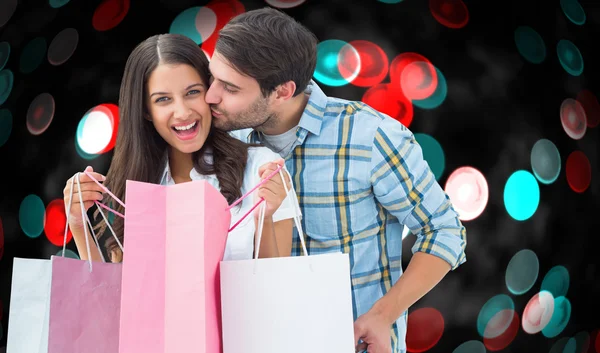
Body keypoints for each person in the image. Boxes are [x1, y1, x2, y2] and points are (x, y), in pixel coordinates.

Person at [205, 7, 467, 353]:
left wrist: (383, 315)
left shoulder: (370, 136)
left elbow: (444, 230)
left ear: (283, 91)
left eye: (230, 88)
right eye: (213, 78)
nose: (210, 96)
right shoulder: (225, 143)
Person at [62, 33, 299, 264]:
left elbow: (275, 288)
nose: (183, 112)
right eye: (163, 99)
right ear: (146, 110)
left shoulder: (261, 169)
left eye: (193, 92)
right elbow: (117, 293)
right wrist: (78, 224)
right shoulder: (136, 183)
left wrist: (264, 219)